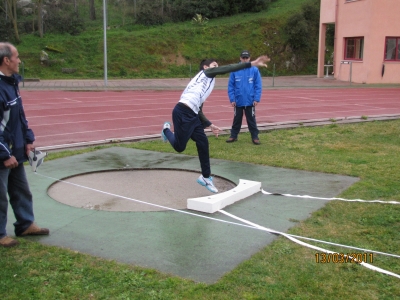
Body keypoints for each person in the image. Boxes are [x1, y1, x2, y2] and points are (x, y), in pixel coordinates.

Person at [161, 55, 270, 193]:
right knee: (179, 147)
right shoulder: (206, 73)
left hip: (192, 114)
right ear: (206, 67)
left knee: (203, 142)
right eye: (214, 65)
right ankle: (166, 130)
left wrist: (209, 125)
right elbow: (227, 68)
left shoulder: (205, 83)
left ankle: (206, 177)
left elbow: (198, 110)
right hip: (182, 112)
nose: (217, 68)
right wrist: (251, 64)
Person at [0, 42, 49, 248]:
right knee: (0, 196)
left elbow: (19, 116)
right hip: (3, 155)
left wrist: (27, 141)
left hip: (16, 150)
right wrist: (3, 154)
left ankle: (25, 224)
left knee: (21, 190)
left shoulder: (12, 83)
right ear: (6, 60)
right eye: (17, 57)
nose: (20, 61)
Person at [226, 50, 263, 145]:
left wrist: (256, 98)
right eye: (243, 58)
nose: (245, 59)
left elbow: (258, 85)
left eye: (247, 58)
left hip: (250, 100)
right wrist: (232, 99)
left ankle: (255, 136)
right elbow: (231, 86)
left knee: (251, 120)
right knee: (237, 119)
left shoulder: (254, 69)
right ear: (240, 58)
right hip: (238, 100)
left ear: (249, 58)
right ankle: (233, 135)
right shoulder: (235, 69)